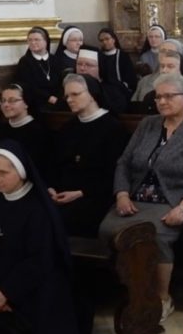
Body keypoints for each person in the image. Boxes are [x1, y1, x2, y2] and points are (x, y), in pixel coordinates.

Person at [100, 73, 183, 320]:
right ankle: (133, 291)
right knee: (108, 230)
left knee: (154, 235)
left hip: (172, 202)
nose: (162, 102)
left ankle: (162, 297)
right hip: (136, 200)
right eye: (158, 97)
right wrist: (121, 194)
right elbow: (124, 162)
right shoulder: (148, 124)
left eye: (168, 96)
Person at [0, 141, 91, 334]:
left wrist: (6, 292)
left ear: (21, 172)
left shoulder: (38, 210)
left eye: (3, 172)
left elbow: (40, 260)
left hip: (33, 287)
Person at [48, 74, 129, 237]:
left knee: (62, 219)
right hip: (62, 194)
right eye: (67, 96)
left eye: (75, 94)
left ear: (92, 94)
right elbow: (54, 164)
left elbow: (114, 174)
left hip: (95, 196)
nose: (69, 100)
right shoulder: (67, 128)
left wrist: (80, 192)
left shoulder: (113, 129)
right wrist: (51, 188)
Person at [0, 83, 53, 180]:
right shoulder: (0, 129)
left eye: (12, 100)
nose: (6, 105)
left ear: (26, 103)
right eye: (3, 101)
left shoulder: (39, 132)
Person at [75, 47, 131, 115]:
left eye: (89, 65)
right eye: (79, 64)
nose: (82, 68)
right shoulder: (68, 87)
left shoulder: (114, 91)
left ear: (100, 68)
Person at [14, 26, 60, 110]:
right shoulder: (25, 61)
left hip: (57, 99)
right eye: (30, 40)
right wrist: (48, 97)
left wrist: (58, 96)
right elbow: (28, 86)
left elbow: (60, 81)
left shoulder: (54, 59)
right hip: (36, 102)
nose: (33, 42)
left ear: (45, 41)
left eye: (36, 40)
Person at [98, 27, 137, 95]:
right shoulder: (99, 56)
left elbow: (130, 78)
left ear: (114, 39)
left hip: (121, 91)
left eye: (107, 39)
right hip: (104, 92)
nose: (104, 42)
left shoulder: (123, 56)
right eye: (101, 40)